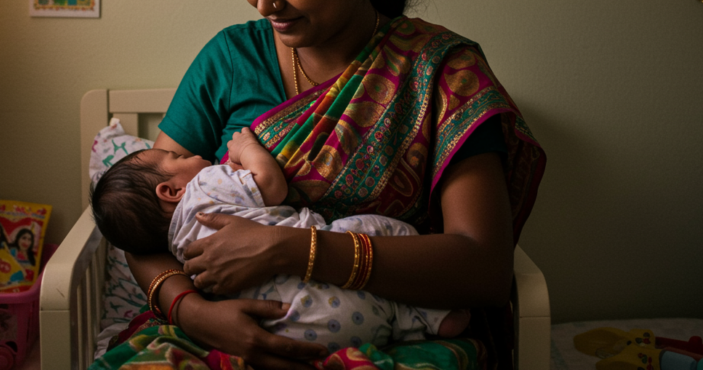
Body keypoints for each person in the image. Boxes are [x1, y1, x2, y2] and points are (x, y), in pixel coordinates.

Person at [109, 0, 546, 370]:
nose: (265, 3)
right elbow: (145, 222)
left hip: (397, 341)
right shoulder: (228, 59)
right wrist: (193, 312)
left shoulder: (442, 73)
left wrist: (292, 249)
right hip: (223, 335)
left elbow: (483, 268)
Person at [92, 129, 472, 350]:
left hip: (295, 330)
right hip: (356, 275)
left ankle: (406, 320)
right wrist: (246, 150)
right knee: (385, 231)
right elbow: (269, 187)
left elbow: (140, 237)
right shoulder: (206, 184)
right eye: (178, 155)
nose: (194, 154)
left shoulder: (177, 245)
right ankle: (426, 315)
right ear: (171, 191)